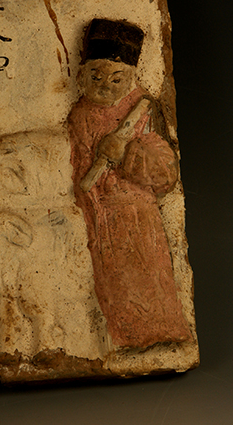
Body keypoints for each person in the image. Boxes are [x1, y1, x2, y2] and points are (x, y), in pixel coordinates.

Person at [67, 18, 192, 349]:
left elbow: (167, 175)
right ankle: (127, 342)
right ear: (82, 76)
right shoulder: (78, 114)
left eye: (116, 78)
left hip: (138, 216)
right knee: (113, 284)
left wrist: (125, 155)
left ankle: (164, 336)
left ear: (131, 78)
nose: (105, 85)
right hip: (99, 218)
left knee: (148, 276)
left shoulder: (143, 109)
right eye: (96, 76)